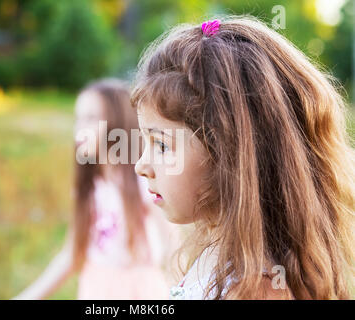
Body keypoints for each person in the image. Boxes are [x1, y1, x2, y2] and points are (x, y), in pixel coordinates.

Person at [131, 16, 355, 299]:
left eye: (161, 146)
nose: (141, 166)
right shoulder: (215, 254)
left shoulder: (258, 289)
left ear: (229, 156)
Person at [14, 79, 179, 300]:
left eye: (90, 119)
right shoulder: (90, 188)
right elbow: (72, 254)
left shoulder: (144, 184)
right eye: (78, 120)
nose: (79, 131)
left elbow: (174, 253)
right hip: (95, 290)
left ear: (118, 122)